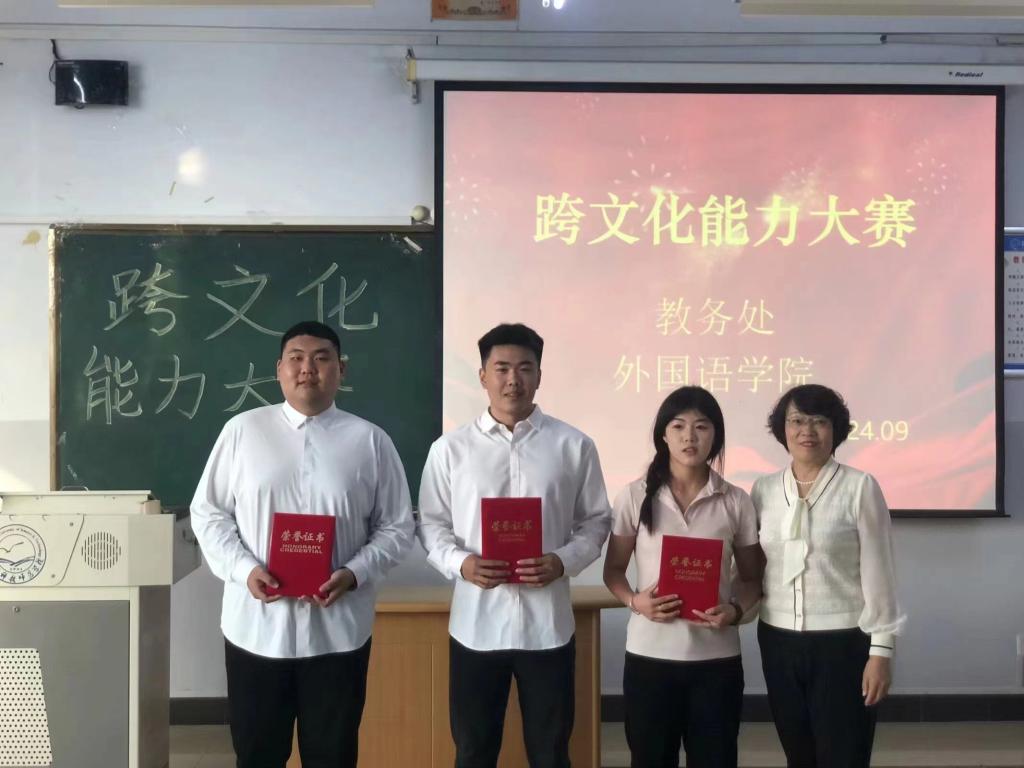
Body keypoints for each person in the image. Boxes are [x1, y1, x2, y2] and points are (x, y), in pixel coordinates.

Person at [190, 320, 415, 768]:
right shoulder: (242, 431)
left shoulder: (371, 440)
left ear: (341, 370)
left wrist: (354, 573)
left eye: (321, 358)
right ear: (279, 369)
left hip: (337, 634)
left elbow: (397, 526)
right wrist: (244, 569)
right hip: (256, 632)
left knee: (332, 756)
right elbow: (208, 512)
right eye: (296, 358)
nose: (307, 368)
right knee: (257, 755)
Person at [417, 322, 611, 768]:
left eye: (525, 368)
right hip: (476, 627)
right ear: (482, 376)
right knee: (473, 749)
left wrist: (561, 561)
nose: (513, 380)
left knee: (551, 751)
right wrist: (461, 563)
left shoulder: (573, 445)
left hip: (547, 627)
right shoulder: (450, 450)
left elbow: (597, 521)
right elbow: (430, 524)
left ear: (539, 375)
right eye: (501, 368)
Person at [603, 386, 763, 768]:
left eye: (701, 427)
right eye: (678, 426)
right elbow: (613, 570)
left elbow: (752, 578)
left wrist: (735, 611)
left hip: (716, 660)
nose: (689, 437)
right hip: (649, 657)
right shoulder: (634, 496)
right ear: (663, 435)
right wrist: (634, 601)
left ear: (715, 436)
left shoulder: (735, 501)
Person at [752, 383, 905, 768]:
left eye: (819, 421)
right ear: (782, 429)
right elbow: (751, 566)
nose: (807, 431)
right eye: (797, 421)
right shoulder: (763, 489)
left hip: (844, 645)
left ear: (835, 429)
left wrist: (881, 651)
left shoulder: (859, 487)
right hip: (777, 641)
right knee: (798, 754)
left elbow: (880, 573)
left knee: (844, 755)